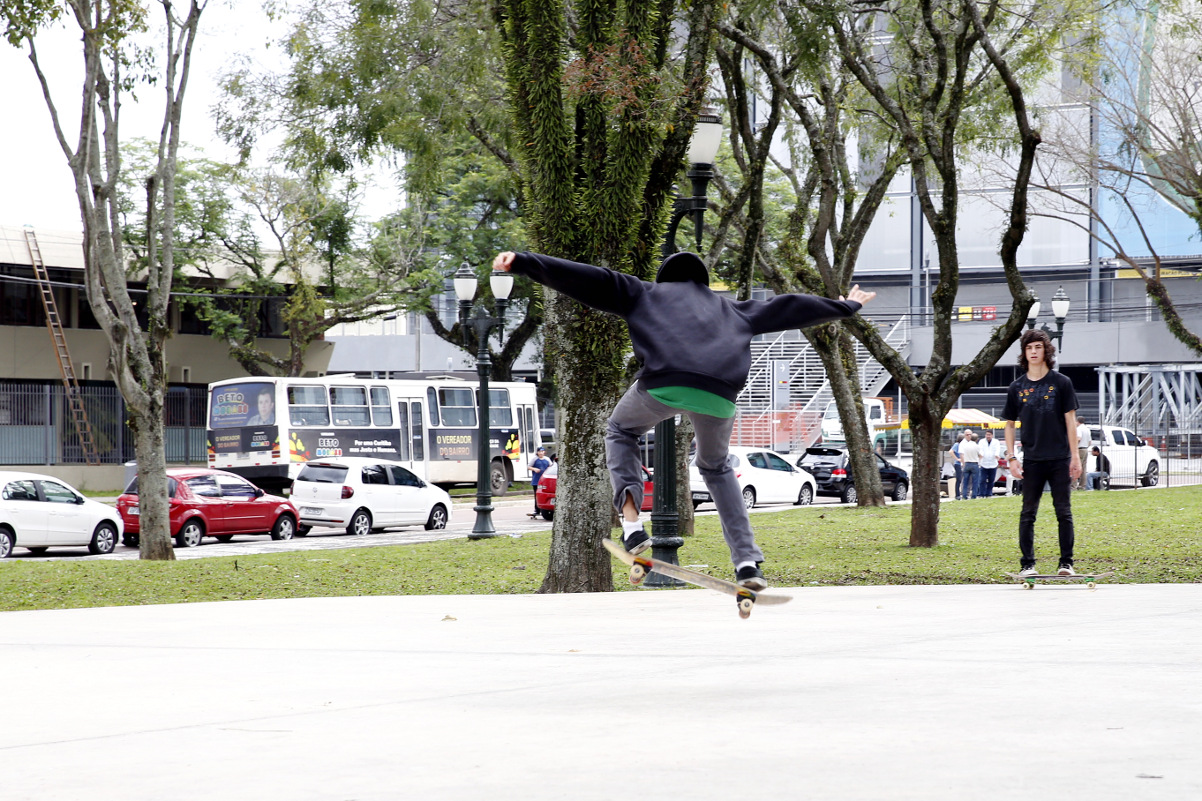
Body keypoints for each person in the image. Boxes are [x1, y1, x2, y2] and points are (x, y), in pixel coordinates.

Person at [493, 249, 874, 589]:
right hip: (719, 395)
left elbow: (589, 278)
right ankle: (746, 561)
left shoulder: (645, 293)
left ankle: (631, 523)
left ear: (665, 278)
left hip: (663, 384)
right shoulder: (732, 308)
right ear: (703, 283)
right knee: (717, 467)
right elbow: (788, 307)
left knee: (620, 430)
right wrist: (844, 306)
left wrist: (525, 262)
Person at [1002, 328, 1083, 577]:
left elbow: (1071, 421)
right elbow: (1008, 424)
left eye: (1038, 347)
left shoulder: (1061, 383)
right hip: (1032, 461)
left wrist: (1075, 456)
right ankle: (1027, 565)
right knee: (1028, 513)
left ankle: (1066, 564)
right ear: (1024, 353)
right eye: (1029, 348)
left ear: (1046, 351)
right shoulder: (1017, 387)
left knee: (1064, 512)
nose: (1034, 352)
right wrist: (1012, 457)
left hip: (1059, 459)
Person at [976, 428, 1004, 498]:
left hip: (993, 463)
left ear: (992, 435)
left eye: (989, 435)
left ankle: (989, 493)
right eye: (987, 435)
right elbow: (980, 450)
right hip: (984, 463)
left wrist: (997, 455)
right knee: (982, 479)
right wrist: (981, 455)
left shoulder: (996, 442)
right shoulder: (982, 441)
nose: (988, 436)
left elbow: (997, 449)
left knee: (991, 480)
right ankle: (981, 494)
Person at [529, 446, 552, 517]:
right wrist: (534, 469)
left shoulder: (547, 459)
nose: (541, 453)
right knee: (537, 496)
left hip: (545, 481)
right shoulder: (534, 459)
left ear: (544, 452)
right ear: (537, 452)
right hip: (536, 480)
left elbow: (551, 466)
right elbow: (529, 466)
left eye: (542, 451)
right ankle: (537, 510)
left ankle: (544, 510)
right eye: (539, 452)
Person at [958, 431, 980, 499]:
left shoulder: (965, 445)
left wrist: (963, 463)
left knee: (965, 481)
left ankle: (964, 495)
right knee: (975, 481)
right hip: (974, 463)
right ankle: (974, 495)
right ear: (977, 439)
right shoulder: (977, 446)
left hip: (966, 463)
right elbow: (981, 455)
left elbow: (962, 454)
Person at [1073, 418, 1090, 490]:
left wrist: (1074, 448)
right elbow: (1090, 441)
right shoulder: (1087, 429)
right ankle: (1082, 486)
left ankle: (1073, 486)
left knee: (1076, 467)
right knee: (1083, 468)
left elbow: (1078, 438)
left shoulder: (1078, 429)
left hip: (1079, 449)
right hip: (1085, 449)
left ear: (1078, 421)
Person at [949, 432, 964, 500]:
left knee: (962, 479)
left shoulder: (963, 445)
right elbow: (951, 451)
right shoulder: (957, 444)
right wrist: (957, 459)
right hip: (958, 464)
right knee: (959, 479)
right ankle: (957, 494)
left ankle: (961, 493)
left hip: (962, 463)